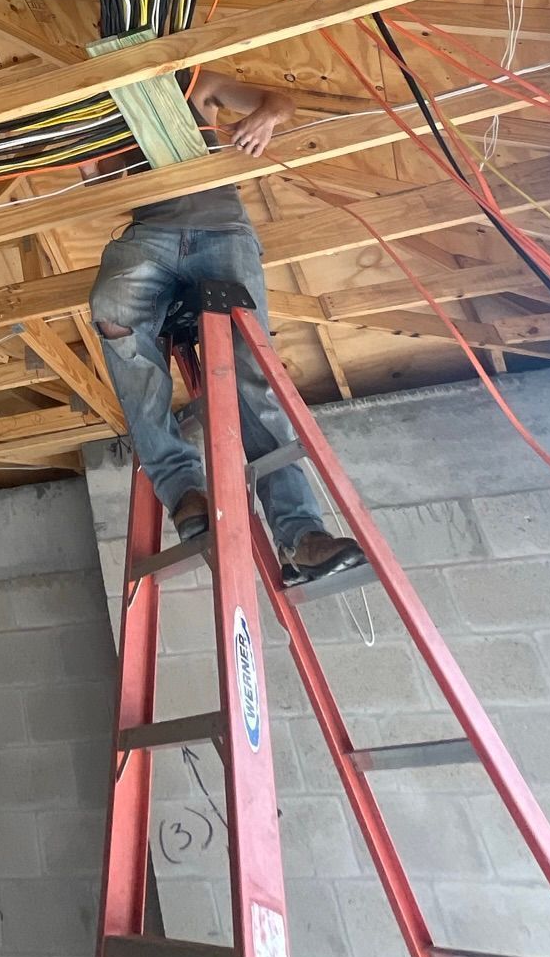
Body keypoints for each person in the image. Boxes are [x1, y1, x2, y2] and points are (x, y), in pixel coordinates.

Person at [88, 68, 363, 586]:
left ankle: (301, 535)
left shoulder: (197, 82)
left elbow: (278, 99)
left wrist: (265, 119)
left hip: (222, 229)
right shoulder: (109, 108)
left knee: (251, 372)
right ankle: (183, 488)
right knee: (113, 310)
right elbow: (101, 181)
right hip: (150, 234)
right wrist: (87, 165)